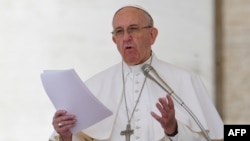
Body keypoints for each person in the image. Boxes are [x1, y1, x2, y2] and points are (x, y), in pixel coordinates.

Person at [49, 5, 224, 141]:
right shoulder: (95, 86)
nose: (126, 37)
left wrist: (173, 128)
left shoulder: (185, 80)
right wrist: (66, 135)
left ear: (152, 35)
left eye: (133, 29)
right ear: (114, 40)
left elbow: (211, 137)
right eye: (119, 32)